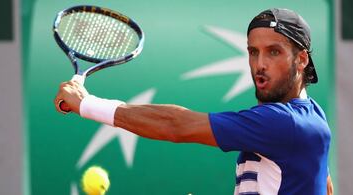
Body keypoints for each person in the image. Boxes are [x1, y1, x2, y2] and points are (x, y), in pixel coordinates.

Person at [55, 8, 333, 195]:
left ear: (301, 59)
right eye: (253, 52)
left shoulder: (283, 123)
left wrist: (86, 104)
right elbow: (326, 187)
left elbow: (175, 125)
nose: (259, 64)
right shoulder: (313, 116)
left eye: (273, 52)